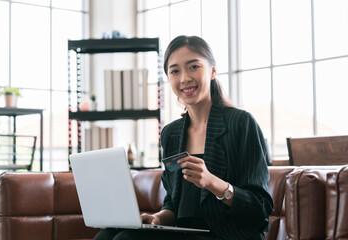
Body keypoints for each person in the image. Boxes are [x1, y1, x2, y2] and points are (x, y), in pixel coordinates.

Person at [94, 35, 274, 240]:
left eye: (194, 67)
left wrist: (213, 183)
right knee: (105, 236)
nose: (184, 78)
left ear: (213, 71)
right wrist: (159, 218)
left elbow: (261, 207)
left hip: (228, 234)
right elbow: (174, 201)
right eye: (175, 71)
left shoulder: (241, 123)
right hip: (185, 232)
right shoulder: (171, 134)